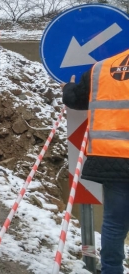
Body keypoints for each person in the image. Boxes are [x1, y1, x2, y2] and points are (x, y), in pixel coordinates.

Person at [62, 48, 129, 274]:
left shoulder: (101, 67)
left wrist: (67, 88)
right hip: (113, 160)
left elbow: (77, 99)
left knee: (114, 224)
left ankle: (111, 270)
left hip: (112, 159)